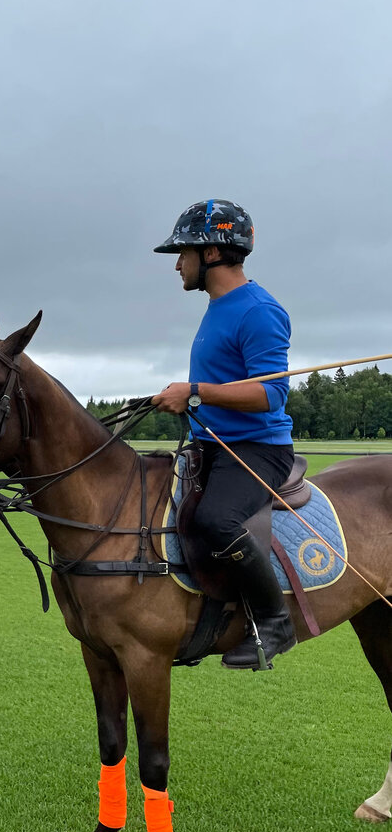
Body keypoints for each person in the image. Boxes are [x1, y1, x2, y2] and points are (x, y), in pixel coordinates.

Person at [151, 199, 296, 668]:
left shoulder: (258, 311)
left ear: (211, 253)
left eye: (184, 252)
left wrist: (196, 390)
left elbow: (271, 395)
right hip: (210, 445)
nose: (177, 264)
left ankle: (275, 623)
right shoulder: (218, 307)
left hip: (257, 449)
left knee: (216, 520)